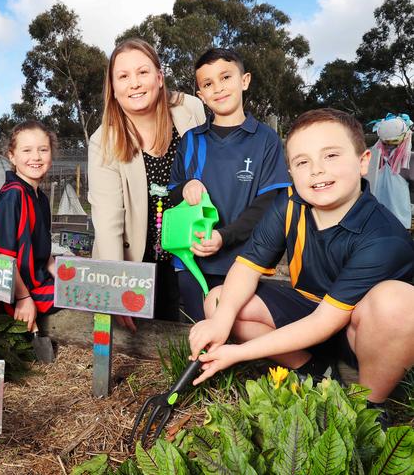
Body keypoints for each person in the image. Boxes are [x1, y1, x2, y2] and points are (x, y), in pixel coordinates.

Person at [188, 108, 414, 420]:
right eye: (302, 161)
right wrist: (221, 322)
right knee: (218, 300)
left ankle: (368, 408)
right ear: (292, 172)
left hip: (359, 332)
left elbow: (326, 321)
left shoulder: (383, 236)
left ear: (363, 161)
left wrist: (238, 352)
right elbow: (247, 265)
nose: (317, 170)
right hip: (310, 309)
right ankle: (315, 372)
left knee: (398, 302)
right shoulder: (290, 202)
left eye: (331, 155)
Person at [88, 38, 206, 329]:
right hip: (138, 260)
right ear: (113, 90)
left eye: (142, 72)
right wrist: (116, 286)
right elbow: (108, 220)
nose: (135, 84)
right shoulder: (103, 141)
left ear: (159, 77)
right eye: (124, 77)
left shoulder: (191, 109)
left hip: (191, 253)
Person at [169, 48, 291, 321]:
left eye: (226, 77)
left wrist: (225, 236)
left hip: (244, 262)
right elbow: (172, 192)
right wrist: (186, 187)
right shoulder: (191, 140)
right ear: (201, 95)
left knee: (236, 334)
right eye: (208, 84)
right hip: (192, 261)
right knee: (197, 335)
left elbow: (269, 203)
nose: (218, 89)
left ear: (244, 80)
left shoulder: (266, 140)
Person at [0, 120, 57, 332]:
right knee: (82, 301)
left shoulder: (41, 199)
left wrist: (69, 280)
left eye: (43, 150)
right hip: (20, 289)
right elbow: (2, 258)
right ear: (12, 156)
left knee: (86, 293)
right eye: (27, 150)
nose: (36, 157)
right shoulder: (12, 196)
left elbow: (45, 255)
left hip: (39, 280)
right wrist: (23, 298)